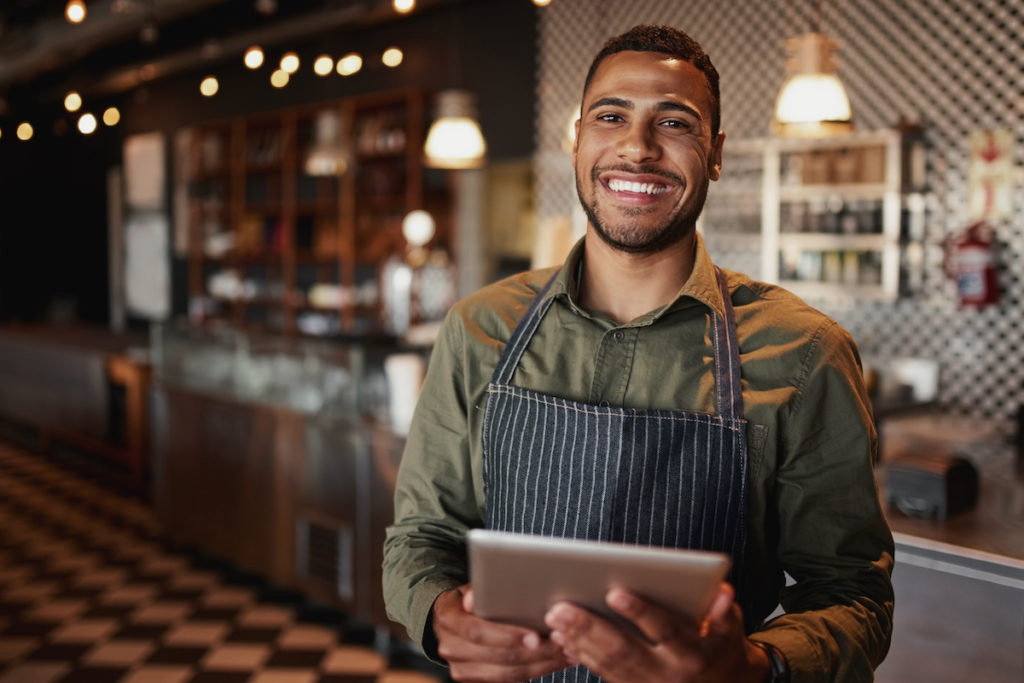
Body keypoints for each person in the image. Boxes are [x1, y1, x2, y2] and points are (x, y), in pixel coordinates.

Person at [383, 24, 894, 683]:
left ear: (715, 153)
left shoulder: (806, 352)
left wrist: (751, 665)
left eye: (675, 122)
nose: (636, 146)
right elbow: (419, 539)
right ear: (577, 140)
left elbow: (853, 592)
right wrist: (438, 615)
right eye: (610, 115)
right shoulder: (480, 328)